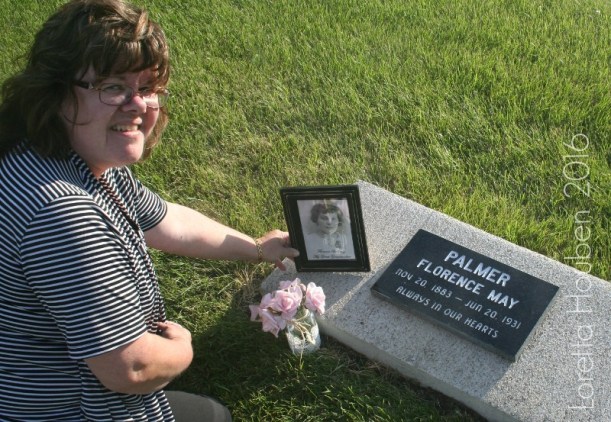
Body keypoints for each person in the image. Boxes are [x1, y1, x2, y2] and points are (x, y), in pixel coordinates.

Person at [0, 1, 299, 421]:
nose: (139, 105)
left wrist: (255, 248)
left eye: (147, 88)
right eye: (112, 86)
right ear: (56, 92)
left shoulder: (54, 153)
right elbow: (131, 368)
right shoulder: (63, 214)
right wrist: (181, 351)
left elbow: (164, 220)